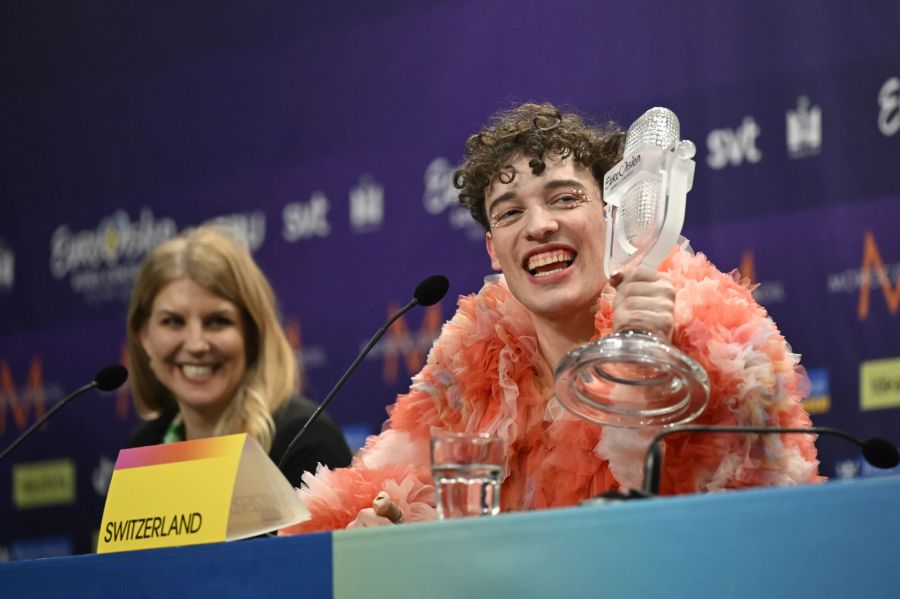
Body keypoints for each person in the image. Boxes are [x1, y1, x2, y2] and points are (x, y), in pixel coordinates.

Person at [280, 102, 821, 533]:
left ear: (610, 216)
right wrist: (387, 522)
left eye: (563, 199)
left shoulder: (713, 331)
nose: (538, 226)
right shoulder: (470, 361)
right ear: (494, 251)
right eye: (511, 212)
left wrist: (648, 371)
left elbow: (759, 530)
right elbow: (378, 495)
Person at [126, 226, 352, 487]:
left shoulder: (304, 439)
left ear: (252, 334)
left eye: (217, 321)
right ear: (144, 336)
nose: (196, 344)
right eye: (173, 322)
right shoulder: (143, 448)